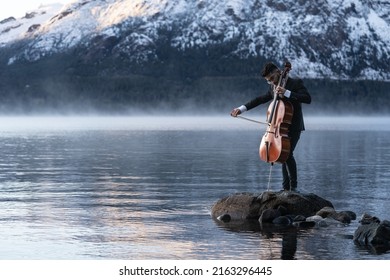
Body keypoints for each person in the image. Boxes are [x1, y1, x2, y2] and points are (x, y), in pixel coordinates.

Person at [230, 62, 311, 191]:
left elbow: (307, 98)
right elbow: (260, 99)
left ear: (278, 71)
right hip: (278, 127)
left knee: (288, 154)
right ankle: (286, 188)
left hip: (294, 125)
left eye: (272, 78)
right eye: (268, 81)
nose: (271, 82)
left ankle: (294, 188)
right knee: (284, 156)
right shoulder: (273, 87)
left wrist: (288, 93)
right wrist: (241, 109)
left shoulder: (295, 83)